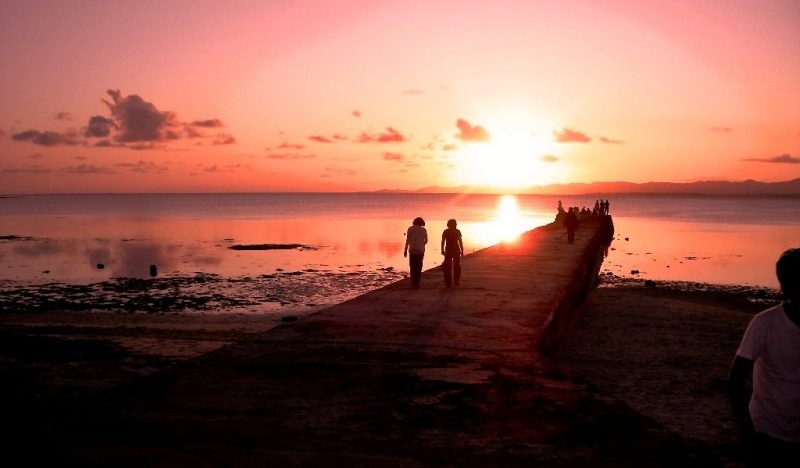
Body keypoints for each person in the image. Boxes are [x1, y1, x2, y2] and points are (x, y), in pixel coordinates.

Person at [728, 248, 800, 465]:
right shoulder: (764, 324)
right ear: (786, 288)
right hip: (766, 431)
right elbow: (735, 380)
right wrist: (748, 431)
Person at [403, 216, 428, 288]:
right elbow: (426, 240)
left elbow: (407, 240)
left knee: (412, 266)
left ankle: (413, 281)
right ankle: (417, 282)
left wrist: (405, 250)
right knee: (419, 266)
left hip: (412, 250)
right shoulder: (423, 230)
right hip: (420, 250)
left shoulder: (410, 229)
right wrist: (422, 244)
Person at [441, 219, 464, 288]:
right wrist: (462, 250)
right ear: (455, 224)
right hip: (456, 250)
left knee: (447, 267)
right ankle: (456, 280)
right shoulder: (457, 231)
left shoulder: (446, 231)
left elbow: (443, 241)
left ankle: (448, 283)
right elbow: (460, 241)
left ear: (448, 224)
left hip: (448, 250)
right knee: (456, 265)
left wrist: (442, 249)